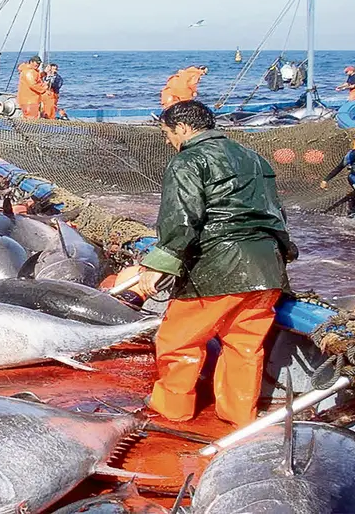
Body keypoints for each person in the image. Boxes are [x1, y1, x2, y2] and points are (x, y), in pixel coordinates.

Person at [136, 100, 295, 428]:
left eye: (167, 134)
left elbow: (182, 220)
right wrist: (282, 255)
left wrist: (159, 264)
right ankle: (239, 416)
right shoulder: (254, 158)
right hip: (266, 269)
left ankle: (172, 409)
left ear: (182, 128)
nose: (168, 141)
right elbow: (275, 214)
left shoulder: (188, 160)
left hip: (215, 267)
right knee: (245, 345)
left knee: (179, 340)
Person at [320, 139, 355, 216]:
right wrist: (325, 180)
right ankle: (351, 213)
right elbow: (339, 168)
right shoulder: (351, 155)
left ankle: (352, 208)